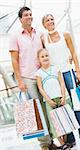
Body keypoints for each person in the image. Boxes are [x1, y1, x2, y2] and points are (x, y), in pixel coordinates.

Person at [9, 7, 56, 150]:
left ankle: (52, 140)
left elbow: (47, 51)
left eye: (30, 14)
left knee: (47, 108)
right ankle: (44, 144)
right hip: (28, 78)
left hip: (42, 75)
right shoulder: (15, 37)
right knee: (36, 111)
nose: (29, 17)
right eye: (25, 15)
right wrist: (20, 81)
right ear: (20, 19)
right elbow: (14, 61)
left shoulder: (39, 34)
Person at [41, 14, 80, 147]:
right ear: (44, 25)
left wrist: (78, 71)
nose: (50, 21)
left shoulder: (65, 34)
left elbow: (73, 53)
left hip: (68, 72)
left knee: (76, 104)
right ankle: (70, 139)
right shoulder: (43, 38)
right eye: (47, 20)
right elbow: (43, 55)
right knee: (62, 106)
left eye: (52, 19)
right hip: (55, 76)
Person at [35, 48, 71, 150]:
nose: (45, 58)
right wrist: (49, 100)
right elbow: (41, 89)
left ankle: (65, 142)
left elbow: (62, 83)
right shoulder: (39, 73)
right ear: (39, 60)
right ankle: (62, 143)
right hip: (49, 101)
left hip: (60, 98)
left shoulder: (56, 69)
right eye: (42, 56)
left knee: (64, 120)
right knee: (54, 123)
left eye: (46, 55)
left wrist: (63, 97)